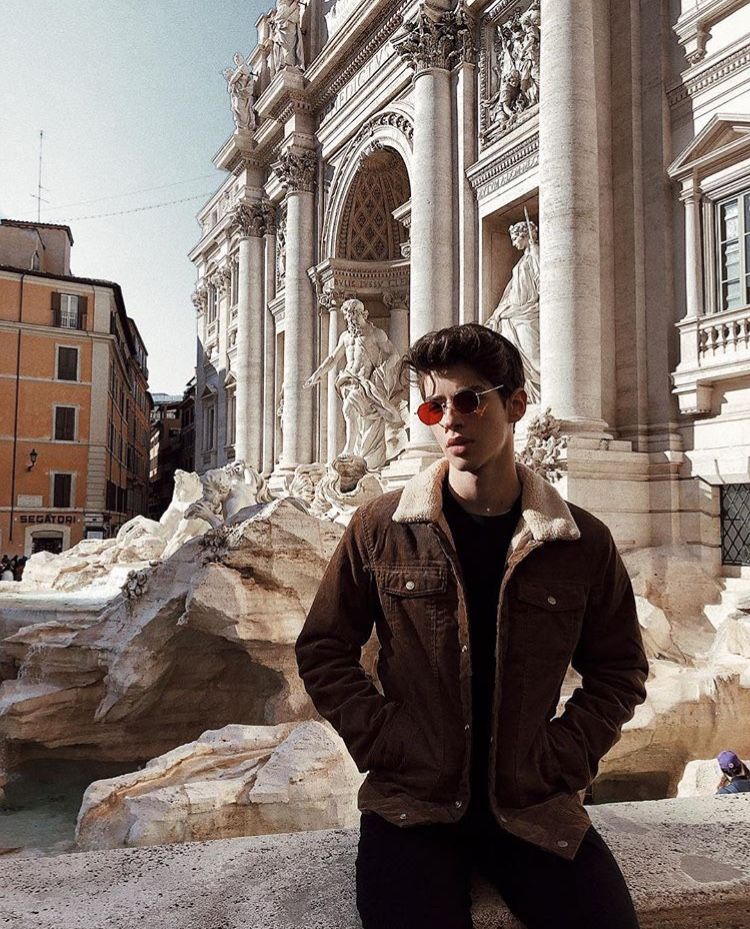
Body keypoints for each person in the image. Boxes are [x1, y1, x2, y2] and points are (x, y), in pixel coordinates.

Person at [295, 323, 648, 929]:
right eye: (434, 406)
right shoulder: (379, 527)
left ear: (516, 404)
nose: (451, 419)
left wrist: (564, 757)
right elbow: (324, 648)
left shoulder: (582, 541)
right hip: (412, 807)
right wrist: (385, 741)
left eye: (470, 399)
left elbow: (620, 669)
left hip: (534, 805)